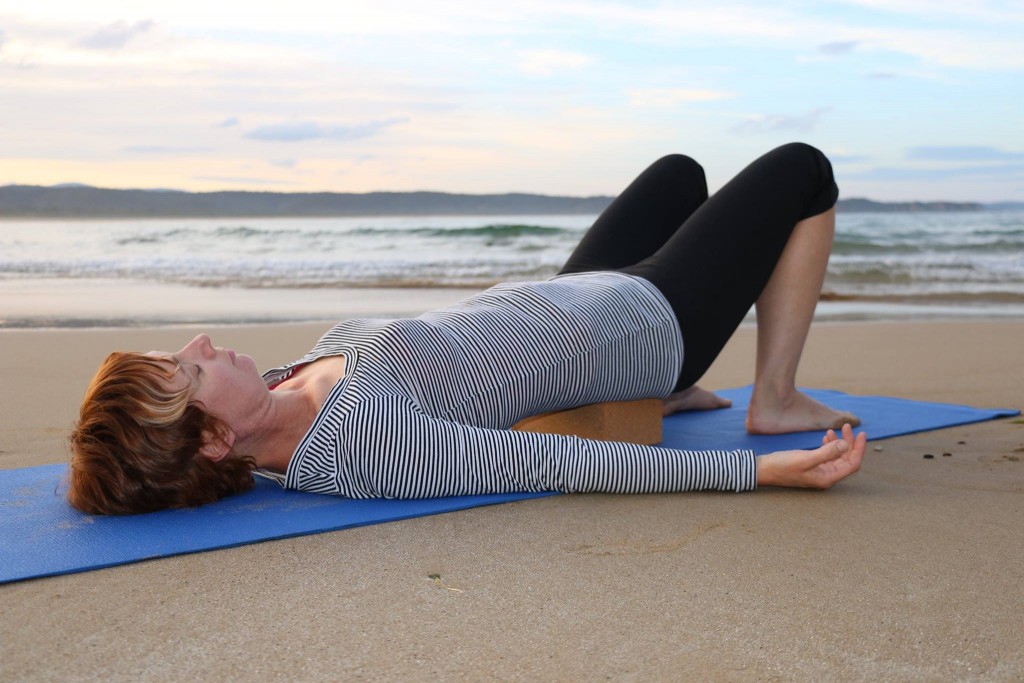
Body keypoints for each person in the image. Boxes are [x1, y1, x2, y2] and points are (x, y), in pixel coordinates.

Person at [68, 142, 867, 515]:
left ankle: (674, 394)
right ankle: (774, 395)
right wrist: (755, 474)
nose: (200, 343)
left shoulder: (274, 391)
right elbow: (558, 459)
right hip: (643, 325)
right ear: (212, 439)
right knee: (804, 170)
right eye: (190, 369)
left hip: (572, 296)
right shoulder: (363, 446)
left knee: (679, 174)